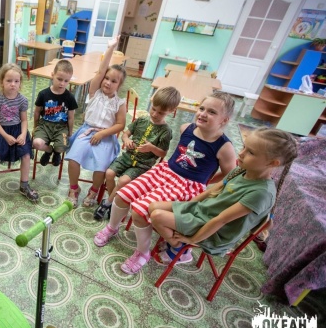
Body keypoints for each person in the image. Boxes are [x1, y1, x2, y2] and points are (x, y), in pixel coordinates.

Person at [94, 91, 238, 275]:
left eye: (212, 112)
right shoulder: (186, 128)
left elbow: (229, 175)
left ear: (224, 120)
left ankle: (142, 253)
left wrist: (205, 181)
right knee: (122, 195)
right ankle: (111, 228)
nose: (203, 114)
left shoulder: (224, 147)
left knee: (139, 211)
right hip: (164, 172)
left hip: (186, 186)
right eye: (202, 108)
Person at [149, 127, 297, 262]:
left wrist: (191, 240)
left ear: (273, 163)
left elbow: (220, 220)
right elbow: (211, 191)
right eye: (244, 147)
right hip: (203, 212)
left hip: (214, 233)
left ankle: (180, 250)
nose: (241, 153)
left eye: (251, 152)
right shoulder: (241, 170)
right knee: (153, 207)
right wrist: (185, 206)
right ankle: (178, 240)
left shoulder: (261, 193)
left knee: (157, 216)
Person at [93, 86, 181, 221]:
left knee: (123, 181)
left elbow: (163, 153)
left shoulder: (166, 131)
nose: (155, 114)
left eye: (161, 113)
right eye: (153, 109)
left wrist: (152, 148)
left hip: (142, 165)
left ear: (171, 111)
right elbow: (126, 134)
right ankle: (113, 204)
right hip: (127, 157)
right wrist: (127, 140)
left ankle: (107, 204)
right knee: (109, 174)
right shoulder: (141, 119)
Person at [64, 37, 127, 207]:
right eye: (106, 78)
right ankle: (74, 188)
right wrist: (110, 49)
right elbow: (100, 71)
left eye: (113, 81)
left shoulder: (119, 103)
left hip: (105, 136)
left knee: (101, 166)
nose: (108, 82)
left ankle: (94, 190)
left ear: (119, 85)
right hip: (87, 131)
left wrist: (102, 134)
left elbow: (120, 125)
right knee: (73, 159)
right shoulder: (94, 92)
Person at [0, 63, 38, 210]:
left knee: (26, 155)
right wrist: (6, 136)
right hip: (0, 131)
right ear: (2, 81)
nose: (12, 84)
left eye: (16, 81)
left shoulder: (22, 100)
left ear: (20, 83)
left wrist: (23, 134)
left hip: (18, 131)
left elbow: (24, 120)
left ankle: (24, 185)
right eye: (9, 80)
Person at [32, 59, 78, 167]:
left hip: (62, 127)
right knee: (36, 143)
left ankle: (57, 153)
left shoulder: (70, 97)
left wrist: (70, 132)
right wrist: (35, 127)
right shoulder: (43, 94)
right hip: (44, 125)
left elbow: (71, 117)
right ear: (53, 75)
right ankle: (49, 150)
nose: (62, 83)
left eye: (66, 81)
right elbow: (37, 112)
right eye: (59, 79)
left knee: (64, 145)